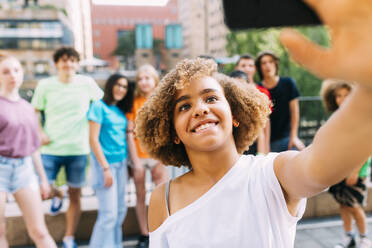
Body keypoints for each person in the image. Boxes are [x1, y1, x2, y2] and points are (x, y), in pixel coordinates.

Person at [134, 0, 372, 245]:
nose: (200, 109)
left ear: (235, 114)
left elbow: (322, 164)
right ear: (173, 132)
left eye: (211, 98)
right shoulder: (162, 199)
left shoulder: (271, 175)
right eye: (184, 106)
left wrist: (367, 92)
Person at [31, 47, 103, 248]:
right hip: (50, 149)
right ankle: (57, 194)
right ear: (56, 64)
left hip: (79, 149)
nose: (68, 64)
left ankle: (69, 237)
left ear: (77, 64)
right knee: (40, 189)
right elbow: (34, 111)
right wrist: (39, 132)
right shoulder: (45, 85)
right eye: (64, 60)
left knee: (75, 193)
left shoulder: (87, 83)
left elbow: (101, 105)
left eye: (72, 60)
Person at [0, 55, 57, 248]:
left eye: (16, 70)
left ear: (22, 74)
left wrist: (42, 179)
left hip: (24, 169)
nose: (12, 76)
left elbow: (34, 147)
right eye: (6, 72)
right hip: (1, 167)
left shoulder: (28, 108)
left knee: (39, 231)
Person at [321, 79, 372, 248]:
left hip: (356, 171)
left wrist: (355, 171)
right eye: (338, 96)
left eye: (346, 95)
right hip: (339, 170)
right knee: (343, 205)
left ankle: (364, 238)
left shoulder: (361, 117)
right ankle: (349, 237)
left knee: (355, 206)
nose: (342, 99)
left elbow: (366, 147)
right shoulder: (337, 118)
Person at [87, 74, 136, 248]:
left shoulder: (120, 110)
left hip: (121, 165)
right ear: (110, 86)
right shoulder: (98, 106)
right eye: (118, 85)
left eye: (124, 87)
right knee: (108, 215)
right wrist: (105, 168)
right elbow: (93, 140)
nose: (121, 89)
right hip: (105, 166)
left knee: (120, 212)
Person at [126, 64, 169, 248]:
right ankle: (145, 234)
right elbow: (129, 132)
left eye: (147, 78)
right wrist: (135, 161)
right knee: (140, 195)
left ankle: (161, 232)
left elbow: (167, 130)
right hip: (139, 156)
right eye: (140, 79)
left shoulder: (162, 101)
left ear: (155, 80)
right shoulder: (134, 101)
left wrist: (162, 157)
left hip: (158, 156)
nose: (144, 82)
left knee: (161, 195)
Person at [255, 51, 305, 152]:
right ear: (259, 67)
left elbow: (295, 112)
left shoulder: (288, 83)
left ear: (276, 64)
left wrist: (294, 136)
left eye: (270, 62)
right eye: (264, 63)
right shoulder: (257, 89)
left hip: (287, 138)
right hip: (267, 141)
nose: (267, 65)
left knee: (301, 153)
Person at [230, 67, 271, 154]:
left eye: (242, 85)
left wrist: (261, 155)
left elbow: (260, 134)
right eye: (235, 86)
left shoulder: (252, 107)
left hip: (251, 151)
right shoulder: (226, 106)